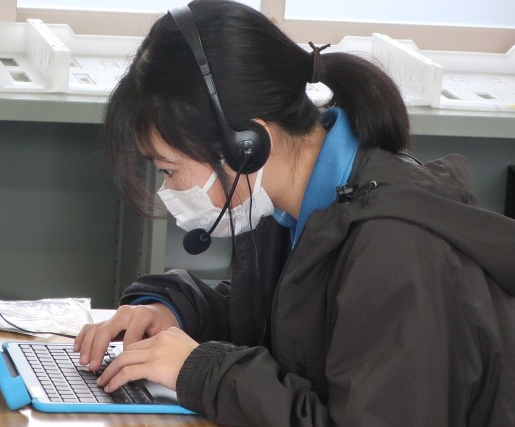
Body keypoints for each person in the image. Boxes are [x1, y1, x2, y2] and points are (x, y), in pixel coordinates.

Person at [74, 0, 515, 425]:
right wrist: (174, 311)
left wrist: (202, 370)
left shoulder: (394, 246)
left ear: (246, 147)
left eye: (169, 170)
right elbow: (286, 331)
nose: (168, 189)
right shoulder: (288, 205)